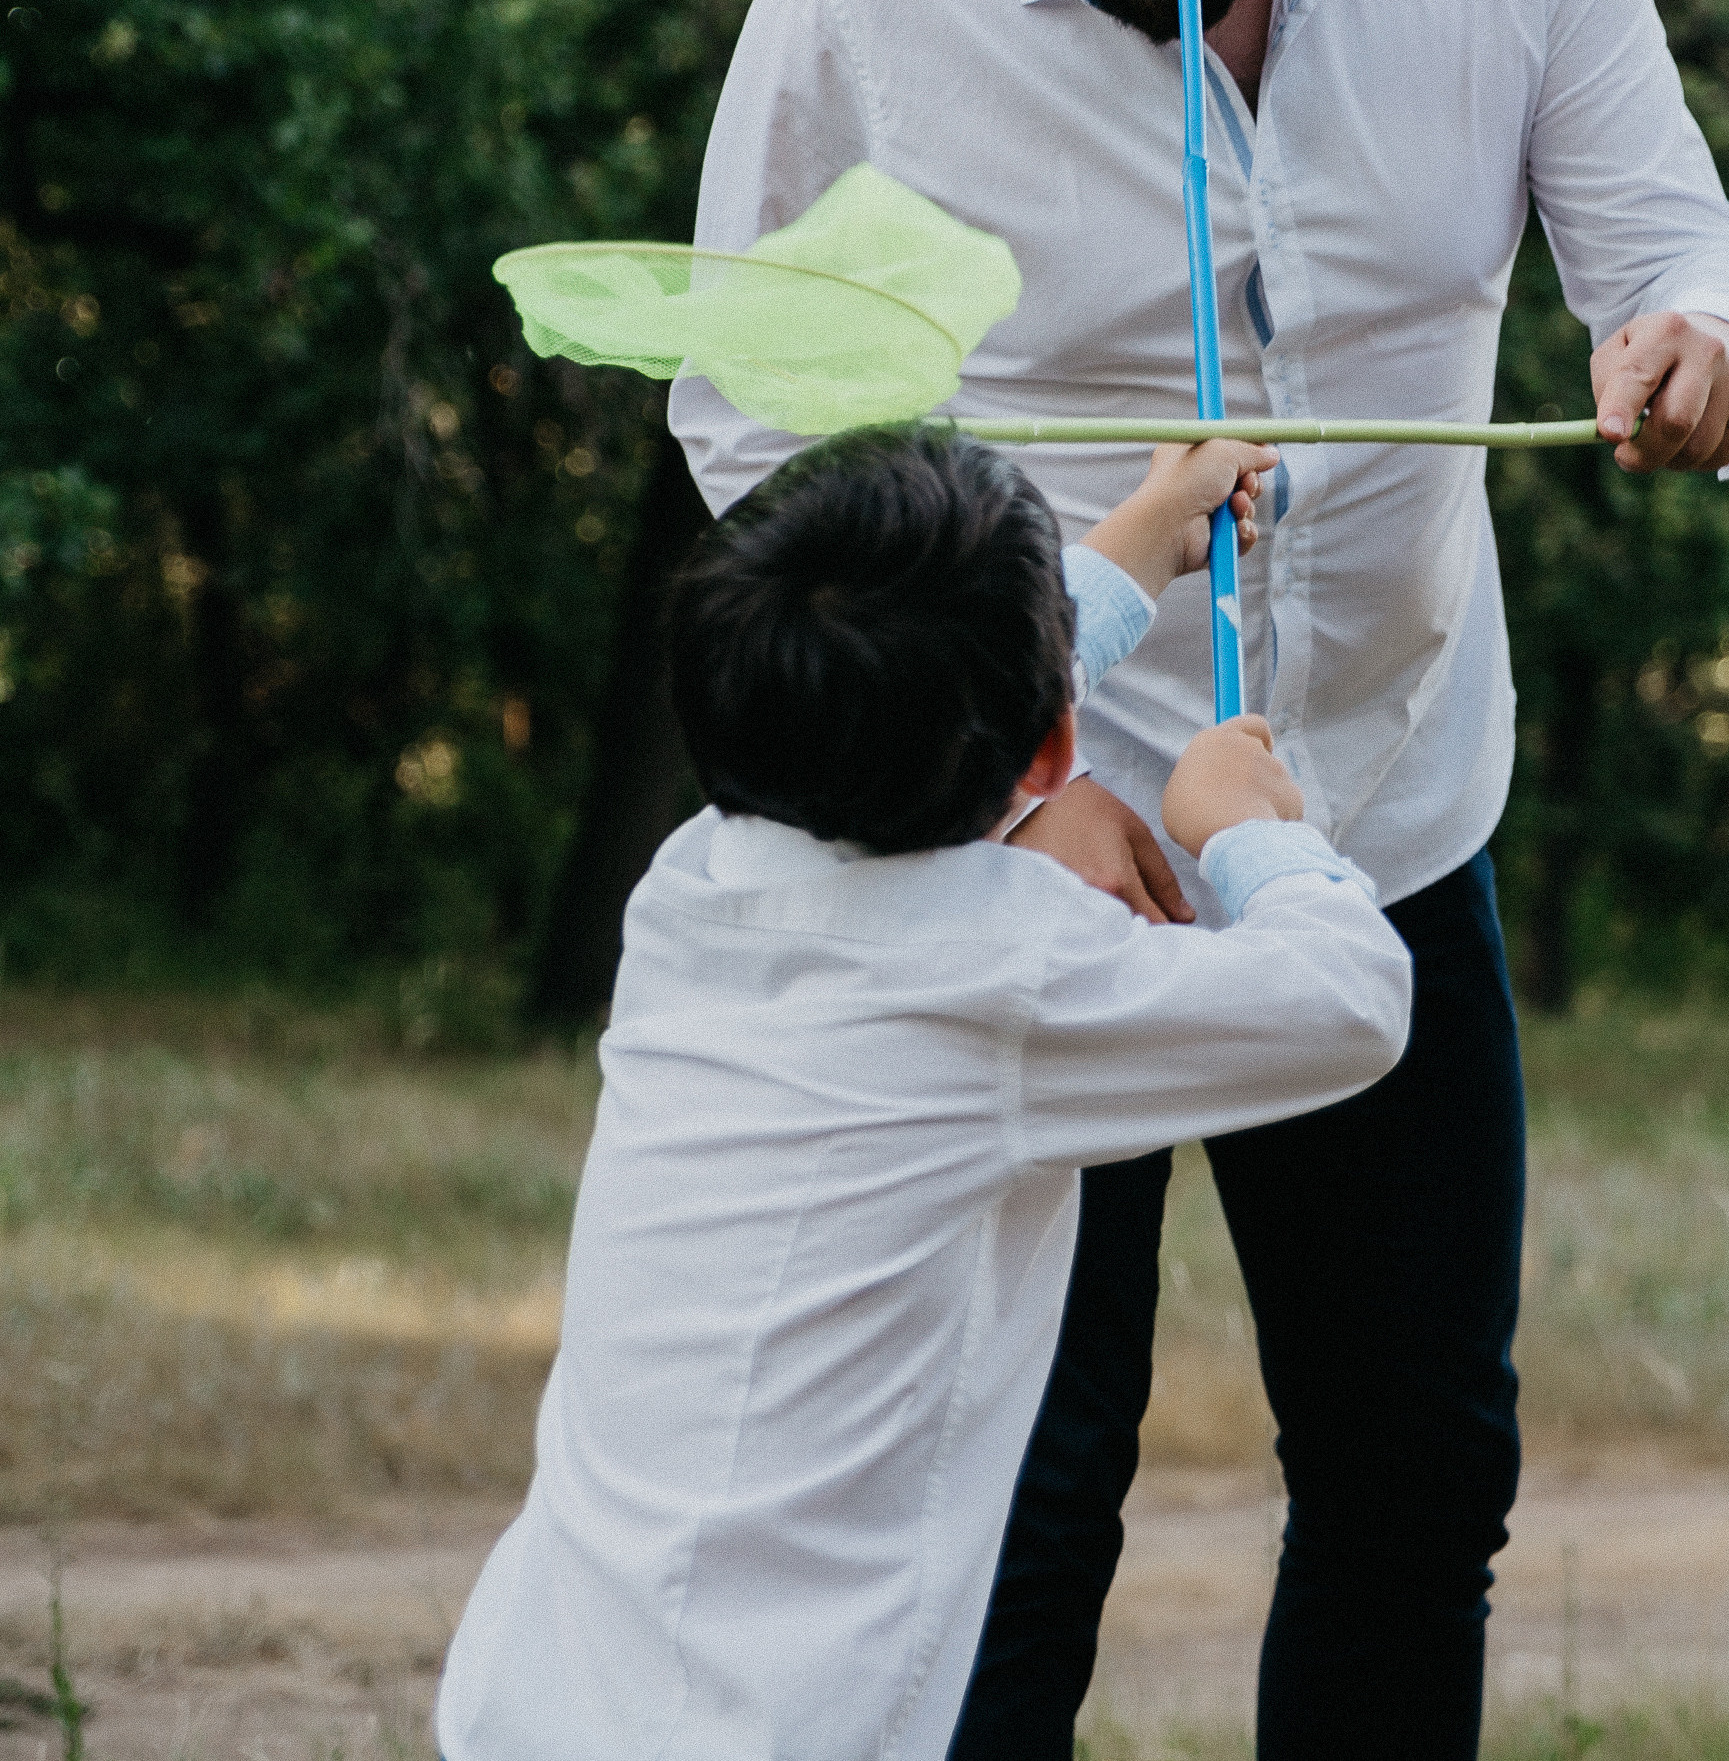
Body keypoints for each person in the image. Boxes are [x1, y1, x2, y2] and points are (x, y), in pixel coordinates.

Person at [675, 0, 1729, 1761]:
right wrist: (1007, 788)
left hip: (1384, 821)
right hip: (1022, 852)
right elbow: (757, 434)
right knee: (1018, 1493)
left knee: (1417, 1474)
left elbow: (1682, 244)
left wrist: (1704, 348)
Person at [435, 424, 1410, 1761]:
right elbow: (1348, 1000)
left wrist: (1137, 537)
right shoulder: (1010, 971)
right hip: (779, 1730)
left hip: (537, 1692)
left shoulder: (690, 886)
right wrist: (1245, 829)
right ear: (1054, 739)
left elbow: (918, 683)